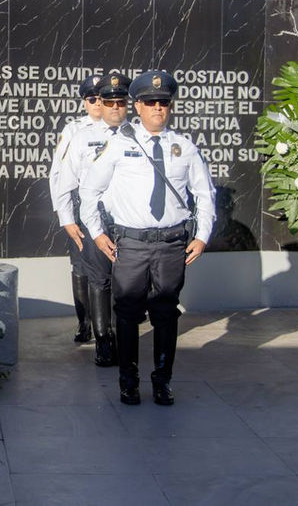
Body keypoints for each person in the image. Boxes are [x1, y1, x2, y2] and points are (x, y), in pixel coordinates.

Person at [79, 70, 215, 406]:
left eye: (164, 102)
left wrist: (202, 236)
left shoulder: (184, 147)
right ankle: (128, 380)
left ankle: (162, 380)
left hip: (171, 243)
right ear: (137, 105)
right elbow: (89, 190)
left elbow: (205, 194)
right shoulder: (119, 145)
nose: (158, 108)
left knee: (166, 313)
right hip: (132, 243)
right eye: (151, 102)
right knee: (126, 313)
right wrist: (97, 233)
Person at [50, 72, 131, 366]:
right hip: (87, 213)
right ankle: (97, 333)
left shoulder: (131, 132)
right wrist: (66, 216)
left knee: (123, 279)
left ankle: (116, 331)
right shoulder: (78, 133)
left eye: (107, 99)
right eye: (93, 98)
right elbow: (60, 176)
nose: (99, 104)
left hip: (123, 217)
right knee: (90, 271)